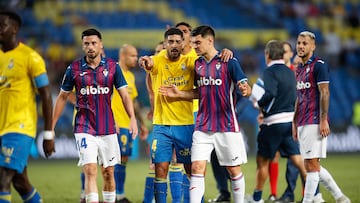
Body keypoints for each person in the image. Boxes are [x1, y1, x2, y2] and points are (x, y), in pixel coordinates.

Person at [158, 25, 251, 203]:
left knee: (233, 170)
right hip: (202, 126)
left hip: (226, 125)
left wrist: (245, 89)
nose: (194, 46)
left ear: (210, 41)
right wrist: (180, 94)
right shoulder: (197, 64)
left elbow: (245, 87)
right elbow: (199, 92)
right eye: (192, 43)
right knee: (197, 168)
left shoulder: (229, 61)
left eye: (198, 42)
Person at [52, 28, 138, 203]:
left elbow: (125, 96)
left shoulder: (113, 67)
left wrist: (133, 119)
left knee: (108, 172)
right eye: (86, 44)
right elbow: (62, 97)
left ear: (101, 45)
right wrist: (51, 126)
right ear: (83, 46)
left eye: (93, 43)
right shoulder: (73, 69)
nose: (90, 47)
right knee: (90, 170)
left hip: (108, 128)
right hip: (84, 127)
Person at [0, 9, 55, 203]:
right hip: (2, 126)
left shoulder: (30, 57)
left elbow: (46, 94)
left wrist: (48, 133)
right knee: (20, 181)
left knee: (3, 177)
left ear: (14, 28)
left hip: (20, 126)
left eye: (2, 25)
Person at [139, 27, 198, 203]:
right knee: (160, 169)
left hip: (185, 125)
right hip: (162, 126)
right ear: (164, 44)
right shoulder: (158, 61)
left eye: (177, 42)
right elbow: (150, 63)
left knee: (191, 170)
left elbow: (203, 91)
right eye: (170, 41)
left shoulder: (191, 62)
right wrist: (146, 62)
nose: (173, 45)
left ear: (183, 43)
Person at [293, 31, 350, 203]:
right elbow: (299, 97)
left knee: (311, 165)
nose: (301, 46)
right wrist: (294, 123)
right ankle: (340, 197)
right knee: (311, 165)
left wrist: (323, 119)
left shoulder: (319, 65)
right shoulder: (299, 69)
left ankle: (308, 200)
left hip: (314, 120)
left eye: (305, 43)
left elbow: (324, 92)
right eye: (299, 43)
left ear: (313, 46)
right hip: (302, 121)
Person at [247, 40, 307, 203]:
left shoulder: (269, 72)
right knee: (298, 161)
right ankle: (312, 194)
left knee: (263, 162)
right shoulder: (291, 72)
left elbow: (270, 93)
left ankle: (257, 198)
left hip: (273, 123)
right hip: (290, 123)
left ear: (268, 54)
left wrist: (260, 104)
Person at [112, 44, 148, 203]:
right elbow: (105, 99)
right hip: (116, 124)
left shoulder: (131, 77)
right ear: (123, 56)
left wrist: (141, 123)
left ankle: (119, 194)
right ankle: (112, 194)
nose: (136, 58)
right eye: (133, 55)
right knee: (113, 160)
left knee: (124, 158)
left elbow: (133, 102)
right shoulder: (112, 72)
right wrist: (111, 120)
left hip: (128, 124)